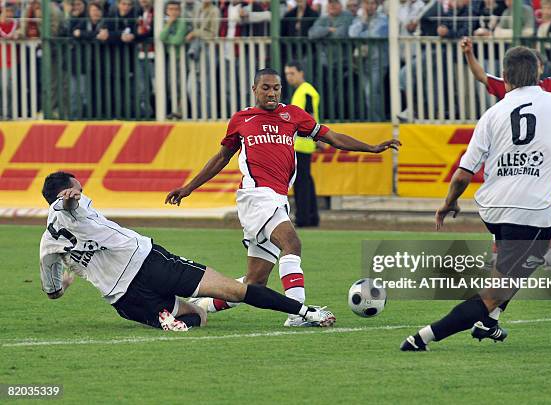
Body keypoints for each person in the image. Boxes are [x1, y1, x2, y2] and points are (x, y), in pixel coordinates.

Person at [400, 46, 551, 352]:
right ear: (538, 73)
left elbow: (462, 173)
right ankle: (422, 338)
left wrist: (449, 203)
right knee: (494, 291)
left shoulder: (493, 113)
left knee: (526, 259)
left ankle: (490, 320)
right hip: (531, 212)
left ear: (504, 76)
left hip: (492, 209)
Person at [165, 68, 400, 327]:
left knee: (255, 283)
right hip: (256, 197)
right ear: (254, 89)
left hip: (277, 199)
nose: (272, 93)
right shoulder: (242, 119)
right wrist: (188, 188)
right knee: (292, 243)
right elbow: (222, 157)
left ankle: (197, 306)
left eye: (276, 88)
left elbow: (331, 136)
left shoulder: (293, 115)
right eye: (266, 87)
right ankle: (298, 314)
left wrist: (370, 148)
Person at [39, 171, 335, 331]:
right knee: (236, 290)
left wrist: (63, 285)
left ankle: (166, 317)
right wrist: (70, 199)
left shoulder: (47, 244)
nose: (82, 190)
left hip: (124, 298)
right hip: (149, 263)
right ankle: (306, 311)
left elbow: (51, 292)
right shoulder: (73, 204)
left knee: (198, 317)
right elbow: (68, 208)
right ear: (67, 191)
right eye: (78, 187)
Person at [461, 17, 551, 100]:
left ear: (542, 68)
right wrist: (469, 54)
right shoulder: (508, 85)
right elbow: (481, 76)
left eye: (536, 64)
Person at [284, 60, 320, 228]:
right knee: (306, 180)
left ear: (301, 73)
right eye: (287, 74)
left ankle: (303, 218)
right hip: (302, 142)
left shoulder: (305, 92)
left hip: (301, 143)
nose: (289, 77)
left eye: (292, 73)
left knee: (301, 182)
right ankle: (311, 217)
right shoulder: (301, 91)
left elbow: (309, 118)